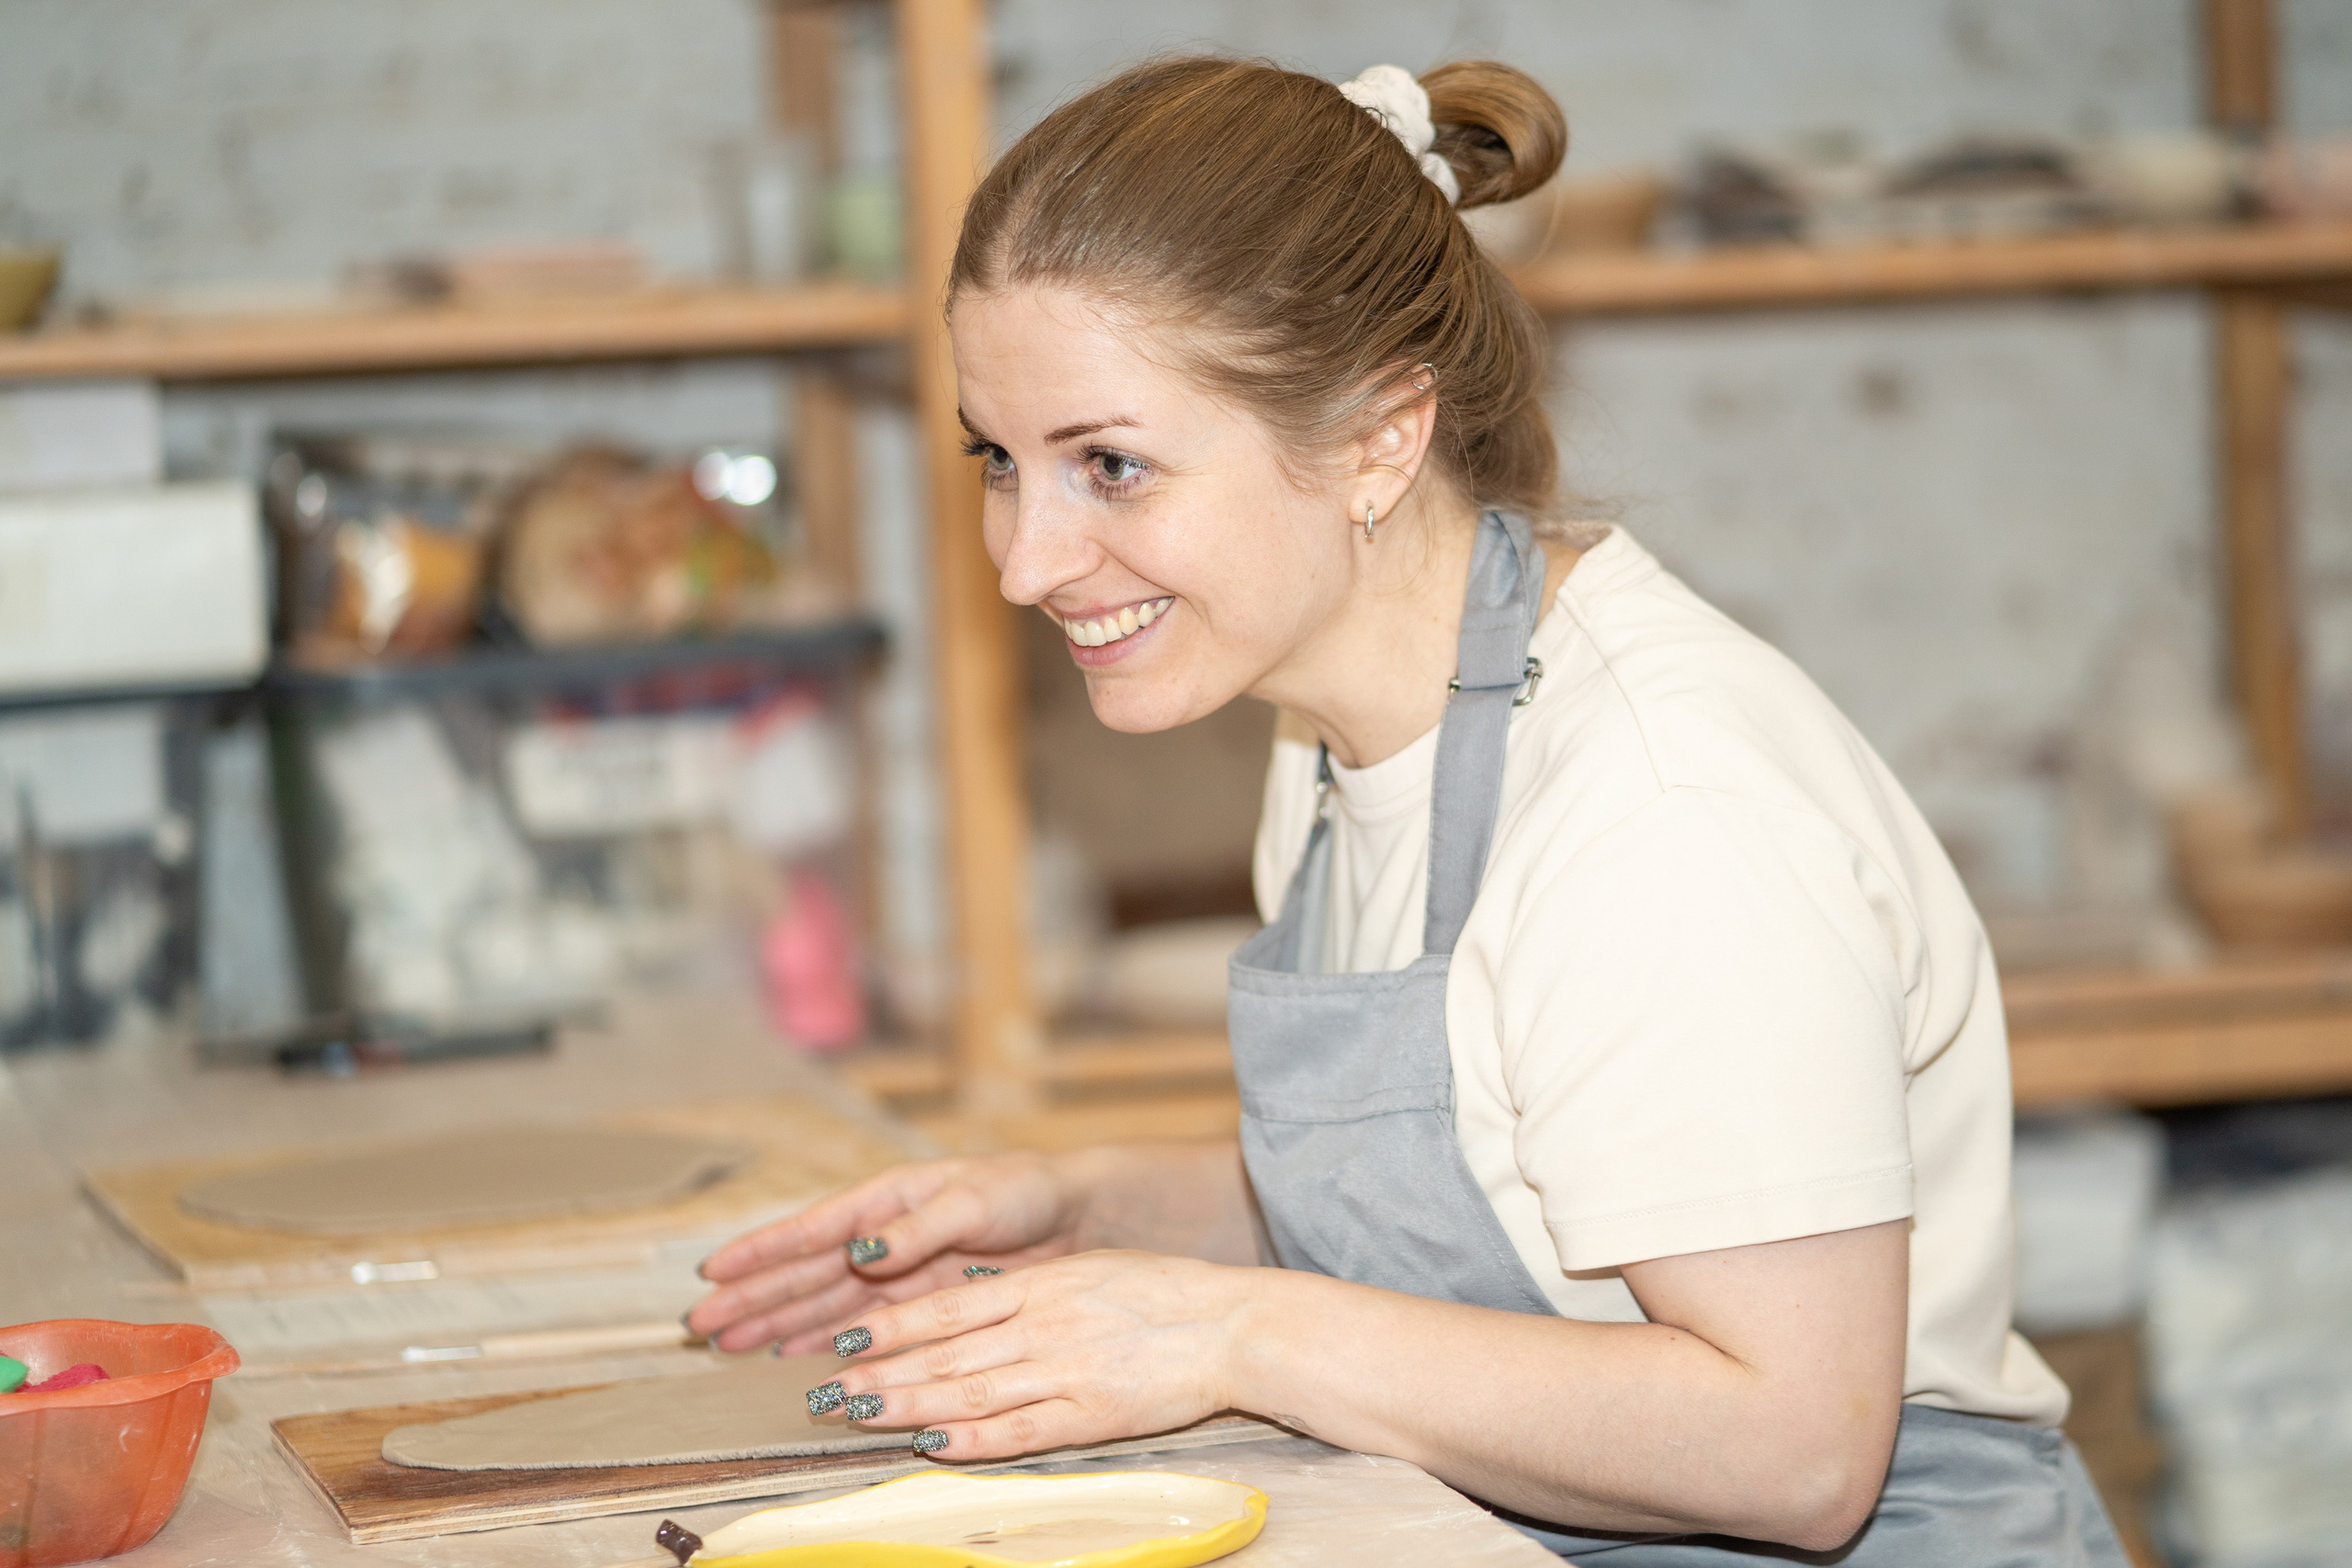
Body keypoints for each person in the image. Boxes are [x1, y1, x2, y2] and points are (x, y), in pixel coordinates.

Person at [688, 55, 2129, 1563]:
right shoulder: (1345, 736)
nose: (1026, 562)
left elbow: (1790, 1449)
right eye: (1002, 460)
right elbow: (1513, 1217)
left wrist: (1229, 1332)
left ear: (1381, 436)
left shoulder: (1666, 816)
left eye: (1110, 466)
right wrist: (1091, 1214)